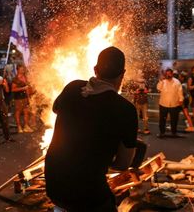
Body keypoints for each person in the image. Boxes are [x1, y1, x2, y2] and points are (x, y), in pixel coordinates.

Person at [45, 47, 141, 211]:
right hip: (88, 194)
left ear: (95, 70)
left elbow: (56, 109)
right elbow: (123, 164)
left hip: (54, 185)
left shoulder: (73, 87)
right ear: (122, 74)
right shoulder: (126, 110)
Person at [156, 68, 184, 137]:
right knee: (162, 119)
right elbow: (158, 88)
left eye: (169, 73)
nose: (168, 75)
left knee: (174, 119)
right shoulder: (163, 81)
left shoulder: (177, 82)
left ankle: (174, 133)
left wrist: (181, 100)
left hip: (174, 104)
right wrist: (161, 81)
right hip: (163, 103)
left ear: (172, 74)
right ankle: (162, 133)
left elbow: (180, 92)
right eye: (167, 74)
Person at [11, 64, 33, 133]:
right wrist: (23, 88)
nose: (23, 70)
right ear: (17, 70)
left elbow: (27, 88)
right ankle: (19, 127)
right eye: (21, 69)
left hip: (25, 97)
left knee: (26, 111)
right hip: (18, 98)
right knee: (18, 112)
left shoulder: (25, 77)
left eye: (23, 69)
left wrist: (28, 96)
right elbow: (13, 89)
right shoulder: (15, 79)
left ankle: (26, 126)